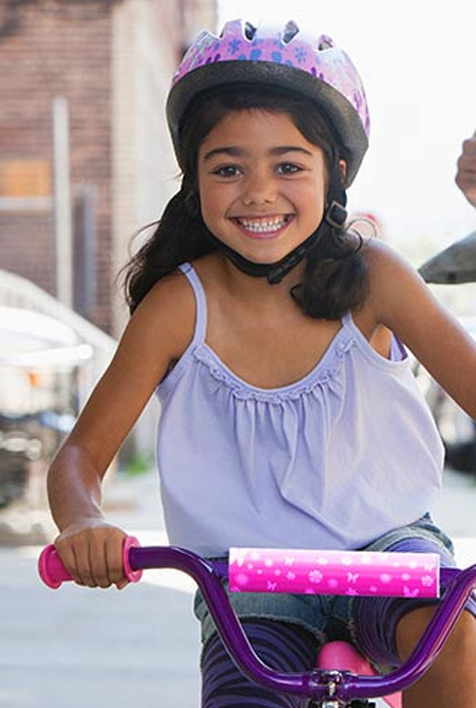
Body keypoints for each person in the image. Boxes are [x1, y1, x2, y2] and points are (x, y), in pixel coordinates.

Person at [47, 20, 476, 708]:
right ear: (195, 180)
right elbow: (79, 458)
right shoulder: (177, 305)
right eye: (227, 168)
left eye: (287, 165)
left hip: (386, 548)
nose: (257, 192)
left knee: (452, 631)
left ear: (333, 171)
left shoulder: (377, 279)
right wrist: (81, 523)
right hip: (249, 582)